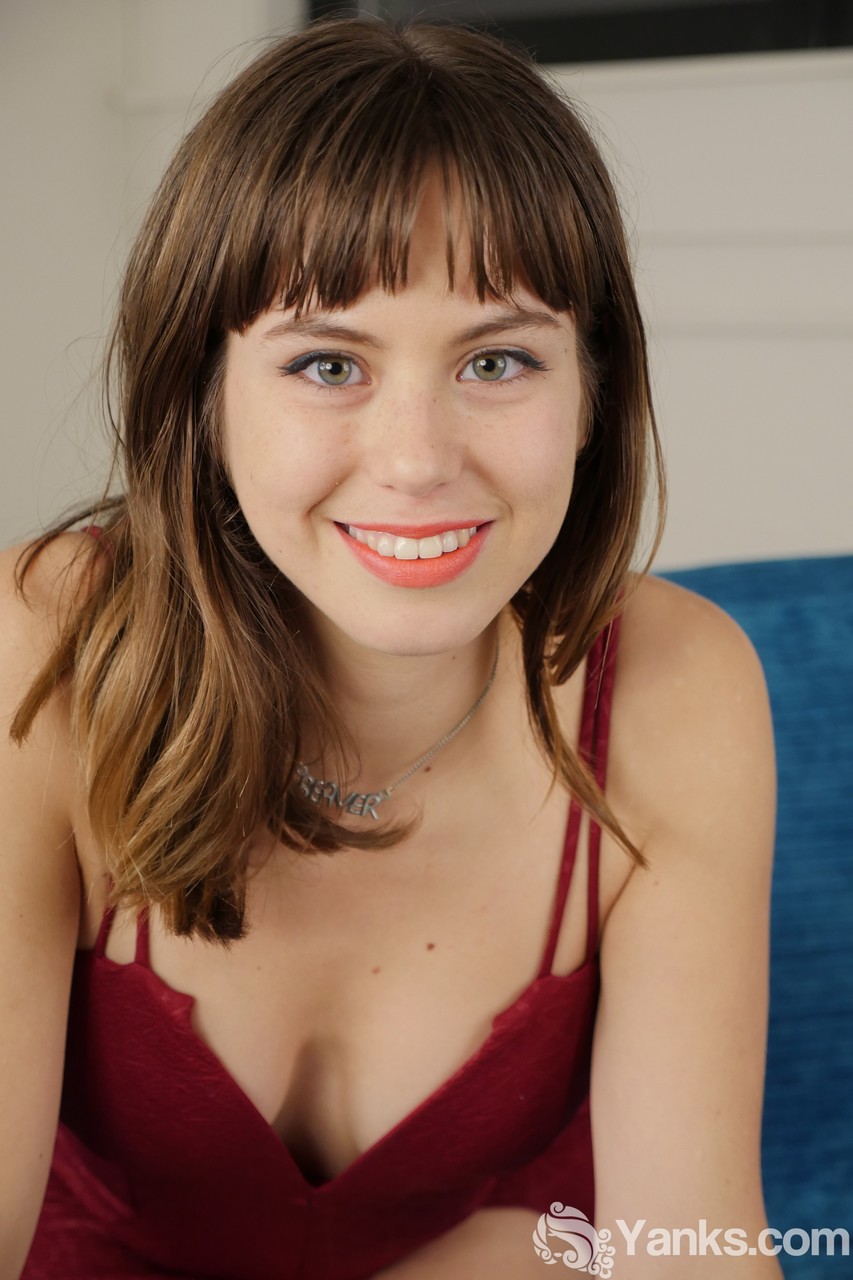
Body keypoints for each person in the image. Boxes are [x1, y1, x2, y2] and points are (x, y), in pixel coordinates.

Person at [1, 15, 780, 1280]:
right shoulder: (40, 648)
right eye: (327, 363)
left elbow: (685, 1248)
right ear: (204, 397)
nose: (417, 459)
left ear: (592, 392)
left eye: (497, 359)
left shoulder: (677, 686)